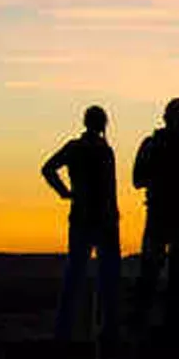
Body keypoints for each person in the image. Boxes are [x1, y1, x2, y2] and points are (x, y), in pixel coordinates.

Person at [42, 105, 121, 346]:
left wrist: (65, 193)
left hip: (84, 218)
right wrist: (65, 193)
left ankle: (65, 332)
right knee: (107, 277)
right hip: (103, 220)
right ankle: (106, 331)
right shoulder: (103, 151)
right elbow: (110, 188)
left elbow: (48, 169)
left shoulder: (76, 148)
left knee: (75, 275)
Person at [132, 97, 179, 335]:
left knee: (152, 273)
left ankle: (144, 326)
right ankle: (169, 328)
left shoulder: (151, 145)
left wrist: (159, 178)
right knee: (176, 275)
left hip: (160, 214)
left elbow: (137, 179)